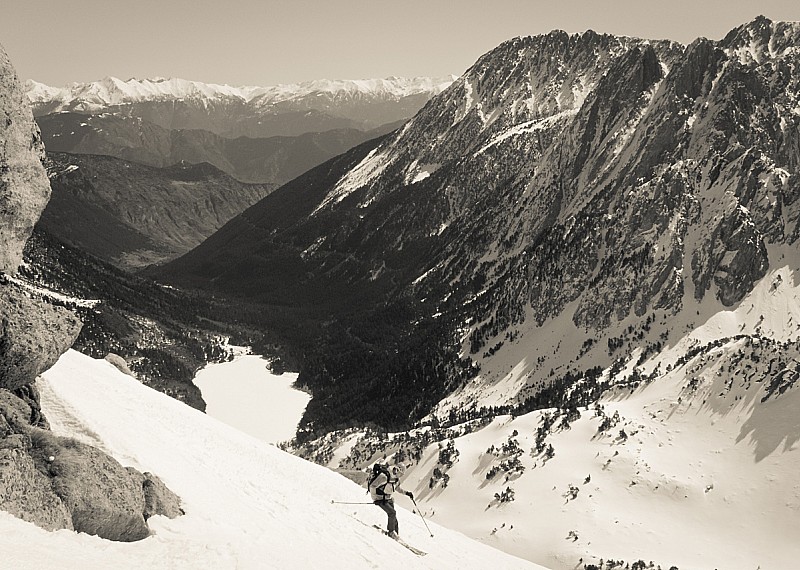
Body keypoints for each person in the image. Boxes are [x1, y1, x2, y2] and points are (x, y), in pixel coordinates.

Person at [368, 462, 414, 538]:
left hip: (387, 498)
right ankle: (391, 532)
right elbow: (372, 486)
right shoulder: (385, 477)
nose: (400, 476)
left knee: (394, 516)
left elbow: (397, 489)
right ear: (398, 470)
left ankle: (395, 534)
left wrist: (407, 493)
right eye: (401, 473)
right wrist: (375, 498)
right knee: (392, 513)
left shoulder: (396, 480)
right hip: (379, 498)